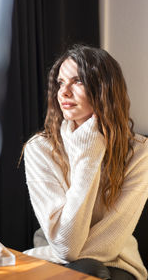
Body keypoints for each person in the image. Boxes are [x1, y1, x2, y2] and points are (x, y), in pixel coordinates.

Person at [23, 44, 148, 279]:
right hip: (57, 255)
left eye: (78, 81)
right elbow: (65, 247)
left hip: (116, 260)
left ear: (105, 89)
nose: (64, 92)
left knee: (89, 270)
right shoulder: (39, 149)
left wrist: (90, 149)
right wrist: (88, 154)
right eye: (61, 83)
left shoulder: (140, 152)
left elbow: (109, 243)